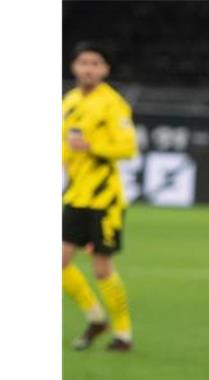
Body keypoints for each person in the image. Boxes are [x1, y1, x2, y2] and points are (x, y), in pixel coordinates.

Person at [62, 42, 138, 351]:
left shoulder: (113, 104)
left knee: (101, 268)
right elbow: (66, 145)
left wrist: (93, 147)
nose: (89, 68)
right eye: (83, 62)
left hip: (104, 199)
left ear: (105, 69)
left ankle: (123, 333)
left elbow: (127, 148)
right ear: (74, 67)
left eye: (95, 63)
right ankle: (95, 318)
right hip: (75, 194)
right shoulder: (69, 100)